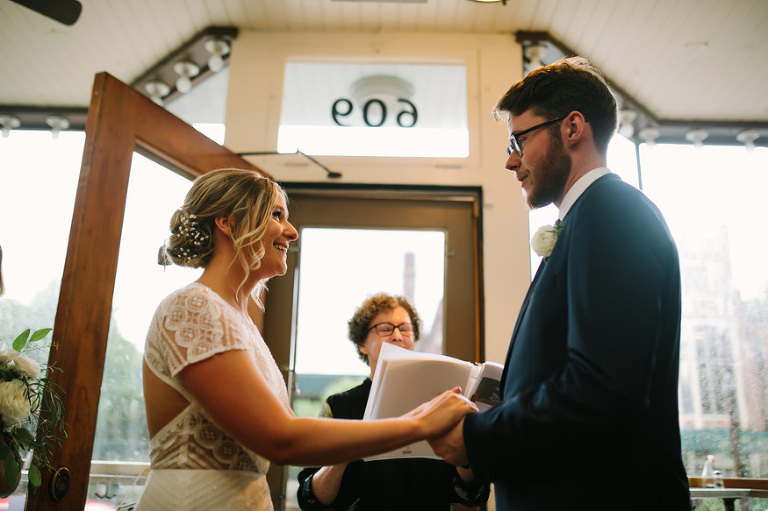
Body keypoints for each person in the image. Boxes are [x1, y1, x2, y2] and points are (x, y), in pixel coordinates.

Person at [428, 57, 691, 510]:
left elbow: (599, 388)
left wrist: (477, 436)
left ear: (572, 128)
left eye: (519, 139)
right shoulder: (588, 219)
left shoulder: (612, 214)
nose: (511, 161)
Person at [138, 168, 477, 511]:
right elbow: (282, 438)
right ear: (228, 223)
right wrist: (419, 423)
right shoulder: (194, 306)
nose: (291, 231)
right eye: (276, 214)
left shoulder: (239, 322)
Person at [297, 293, 489, 511]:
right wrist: (345, 452)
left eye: (405, 328)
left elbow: (473, 495)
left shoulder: (439, 404)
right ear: (362, 344)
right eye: (385, 329)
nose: (398, 335)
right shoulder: (339, 407)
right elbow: (311, 500)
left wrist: (466, 451)